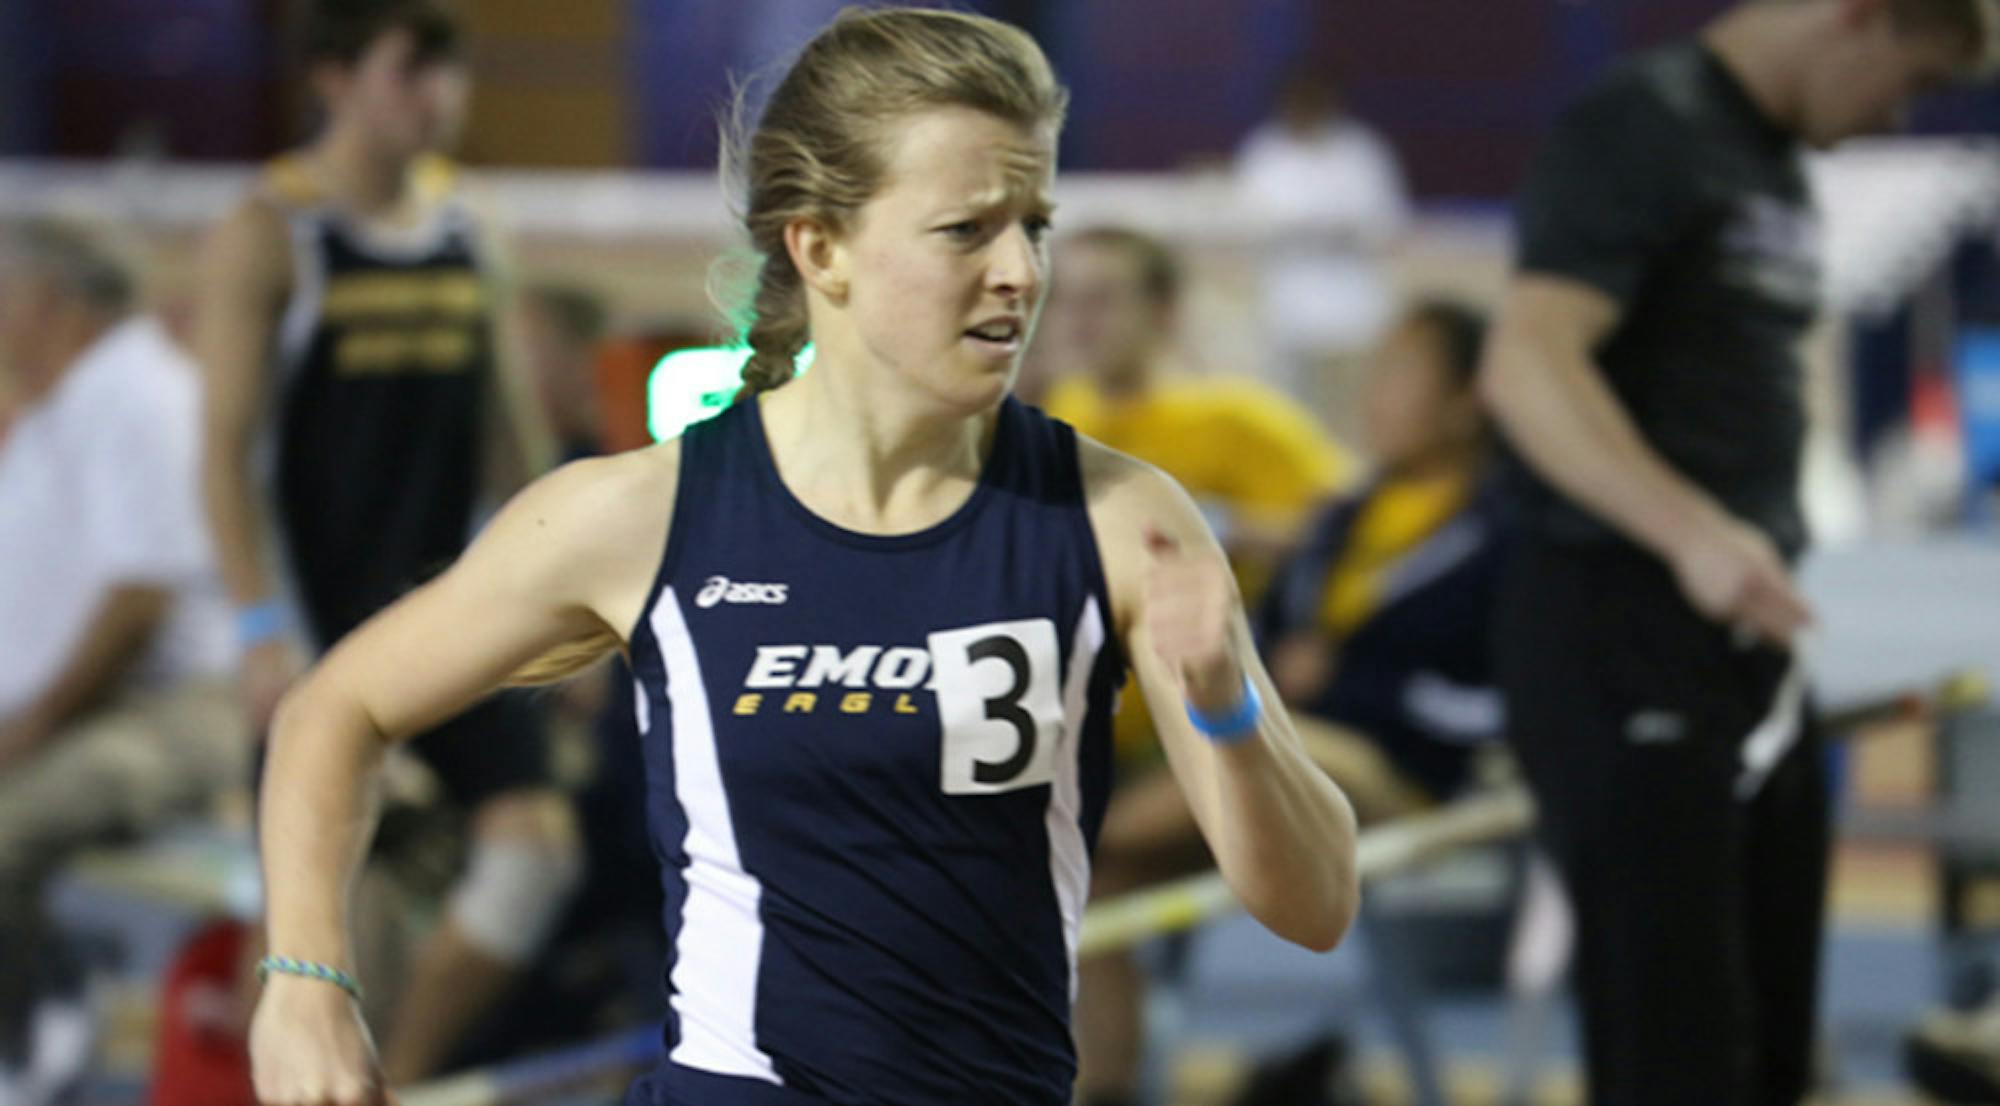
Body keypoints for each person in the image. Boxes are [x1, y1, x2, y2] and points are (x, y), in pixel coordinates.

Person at [246, 9, 1360, 1106]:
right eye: (966, 229)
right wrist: (305, 979)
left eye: (1035, 222)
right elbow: (331, 709)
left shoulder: (1118, 517)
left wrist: (1223, 709)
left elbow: (1314, 904)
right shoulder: (645, 514)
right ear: (820, 246)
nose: (1021, 270)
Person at [1478, 1, 1995, 1102]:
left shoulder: (1769, 162)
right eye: (1905, 83)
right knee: (1679, 1059)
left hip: (1741, 641)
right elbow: (1525, 364)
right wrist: (1690, 530)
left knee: (1768, 1053)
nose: (1890, 118)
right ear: (1857, 18)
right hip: (1617, 628)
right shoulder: (1641, 124)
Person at [194, 0, 576, 1084]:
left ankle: (400, 1076)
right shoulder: (272, 229)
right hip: (323, 617)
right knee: (334, 926)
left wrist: (575, 588)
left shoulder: (469, 223)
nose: (439, 99)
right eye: (412, 71)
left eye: (450, 74)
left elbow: (512, 429)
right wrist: (262, 626)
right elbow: (224, 455)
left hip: (458, 605)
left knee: (535, 855)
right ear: (335, 78)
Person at [1035, 226, 1353, 1106]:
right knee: (1091, 886)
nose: (1080, 320)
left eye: (1105, 299)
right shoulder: (1047, 420)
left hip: (1210, 736)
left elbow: (1353, 531)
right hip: (1079, 739)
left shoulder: (1237, 421)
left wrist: (1234, 528)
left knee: (1078, 854)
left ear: (1163, 312)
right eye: (1069, 299)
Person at [0, 221, 243, 1103]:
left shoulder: (137, 395)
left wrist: (31, 726)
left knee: (4, 828)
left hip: (170, 705)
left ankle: (35, 1032)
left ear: (46, 302)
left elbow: (139, 604)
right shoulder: (61, 406)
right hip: (87, 702)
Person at [1233, 67, 1412, 429]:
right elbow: (1249, 221)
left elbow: (1386, 222)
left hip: (1354, 308)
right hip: (1288, 309)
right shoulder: (1266, 151)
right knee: (1292, 412)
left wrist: (1325, 228)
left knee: (1353, 412)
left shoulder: (1361, 151)